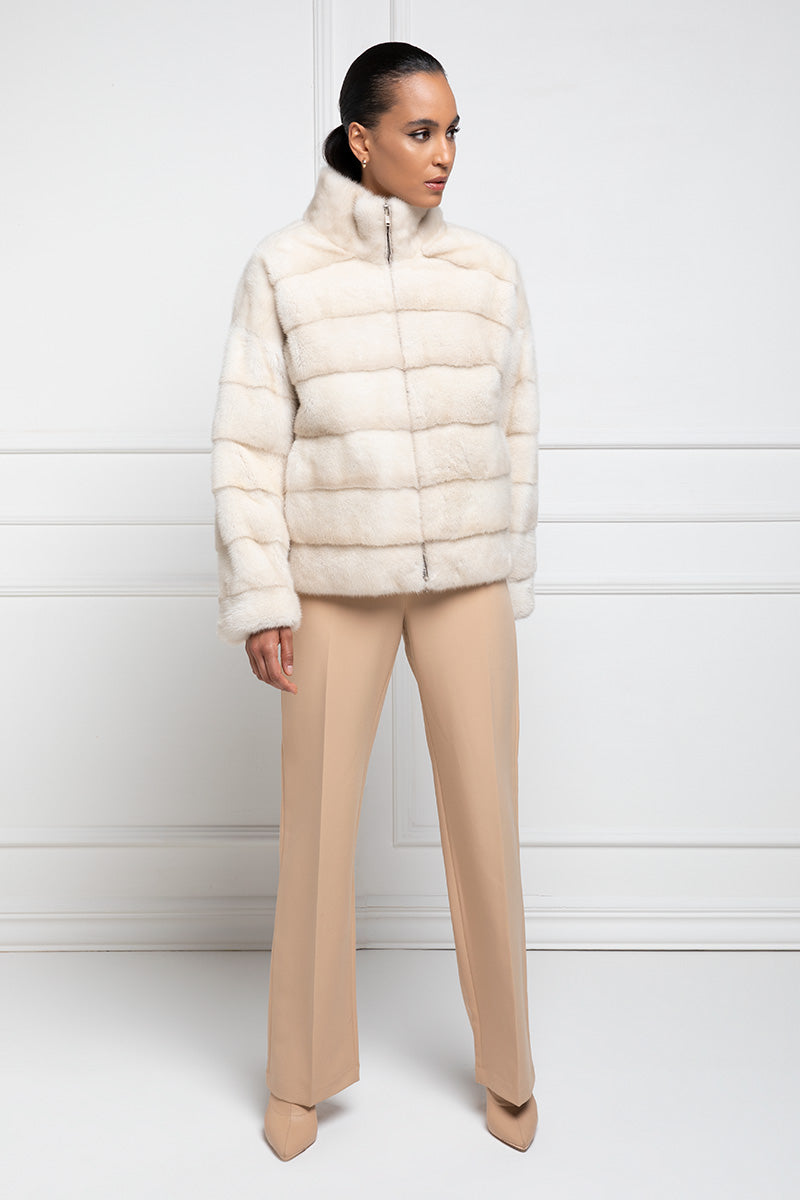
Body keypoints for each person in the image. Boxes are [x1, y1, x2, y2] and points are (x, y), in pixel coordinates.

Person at [211, 41, 540, 1161]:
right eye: (419, 131)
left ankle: (510, 1066)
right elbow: (248, 441)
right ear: (361, 138)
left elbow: (518, 426)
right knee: (315, 831)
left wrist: (508, 559)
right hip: (333, 584)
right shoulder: (284, 270)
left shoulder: (487, 271)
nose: (443, 155)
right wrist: (263, 592)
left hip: (465, 583)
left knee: (486, 824)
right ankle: (298, 1074)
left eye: (452, 133)